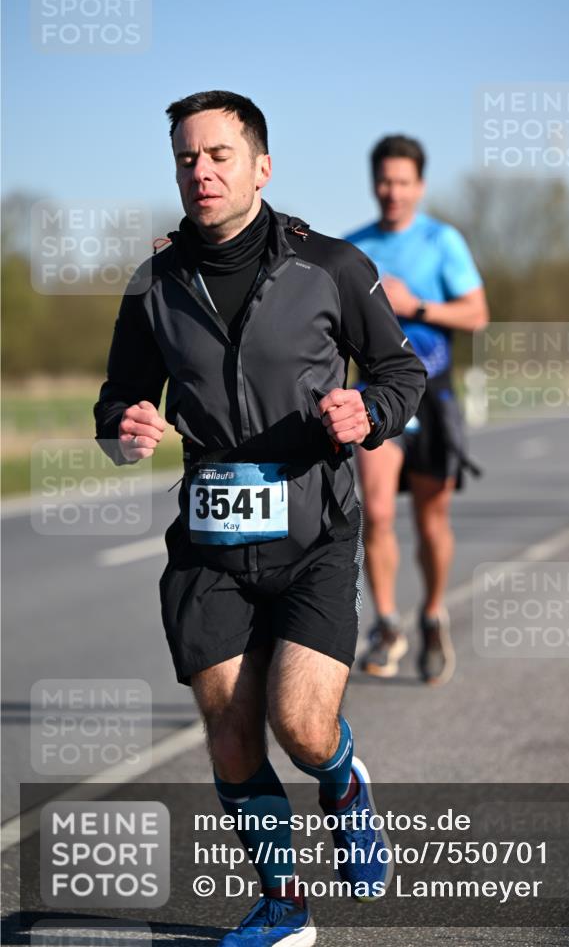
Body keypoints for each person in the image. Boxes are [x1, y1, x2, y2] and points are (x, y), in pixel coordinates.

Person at [94, 91, 425, 946]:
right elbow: (119, 401)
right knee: (232, 739)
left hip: (314, 529)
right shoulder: (154, 283)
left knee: (301, 726)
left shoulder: (333, 266)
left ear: (260, 166)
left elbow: (400, 371)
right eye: (186, 159)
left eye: (218, 155)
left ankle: (344, 784)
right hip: (209, 542)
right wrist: (124, 429)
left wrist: (370, 413)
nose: (200, 172)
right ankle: (284, 906)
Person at [345, 136, 488, 684]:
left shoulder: (441, 240)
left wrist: (416, 306)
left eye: (403, 182)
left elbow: (478, 315)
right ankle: (385, 623)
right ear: (373, 182)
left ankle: (431, 614)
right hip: (377, 393)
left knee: (432, 519)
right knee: (376, 513)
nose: (392, 191)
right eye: (384, 180)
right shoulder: (353, 248)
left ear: (419, 186)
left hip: (435, 393)